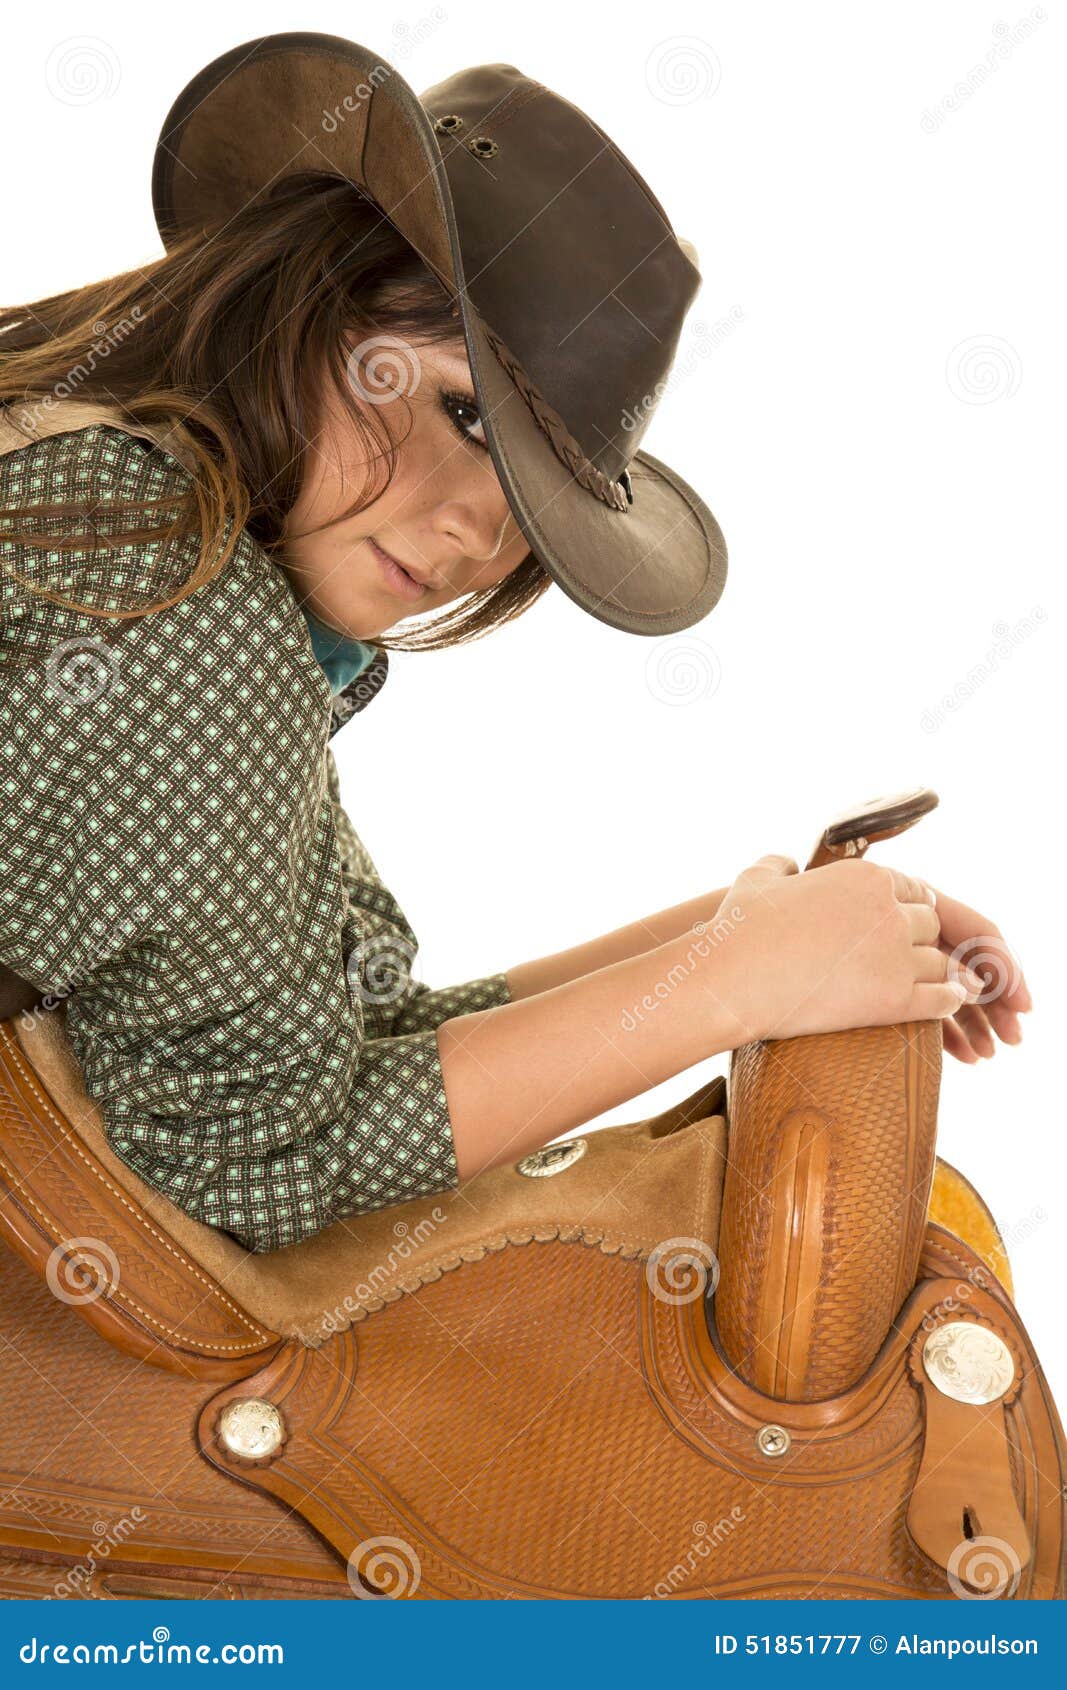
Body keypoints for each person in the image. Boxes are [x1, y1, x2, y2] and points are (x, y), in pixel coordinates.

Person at [0, 35, 1027, 1254]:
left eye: (534, 506)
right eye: (459, 409)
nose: (479, 532)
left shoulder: (139, 526)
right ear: (302, 294)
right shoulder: (171, 598)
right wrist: (736, 984)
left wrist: (742, 933)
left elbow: (344, 1052)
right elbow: (235, 1162)